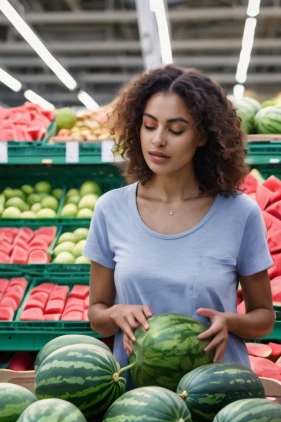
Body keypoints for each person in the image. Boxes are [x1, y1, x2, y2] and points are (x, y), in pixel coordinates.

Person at [83, 64, 275, 388]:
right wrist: (115, 314)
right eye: (149, 125)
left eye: (175, 130)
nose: (158, 140)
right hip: (137, 402)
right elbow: (97, 315)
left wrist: (230, 322)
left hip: (218, 394)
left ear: (202, 136)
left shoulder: (240, 213)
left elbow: (264, 318)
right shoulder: (110, 209)